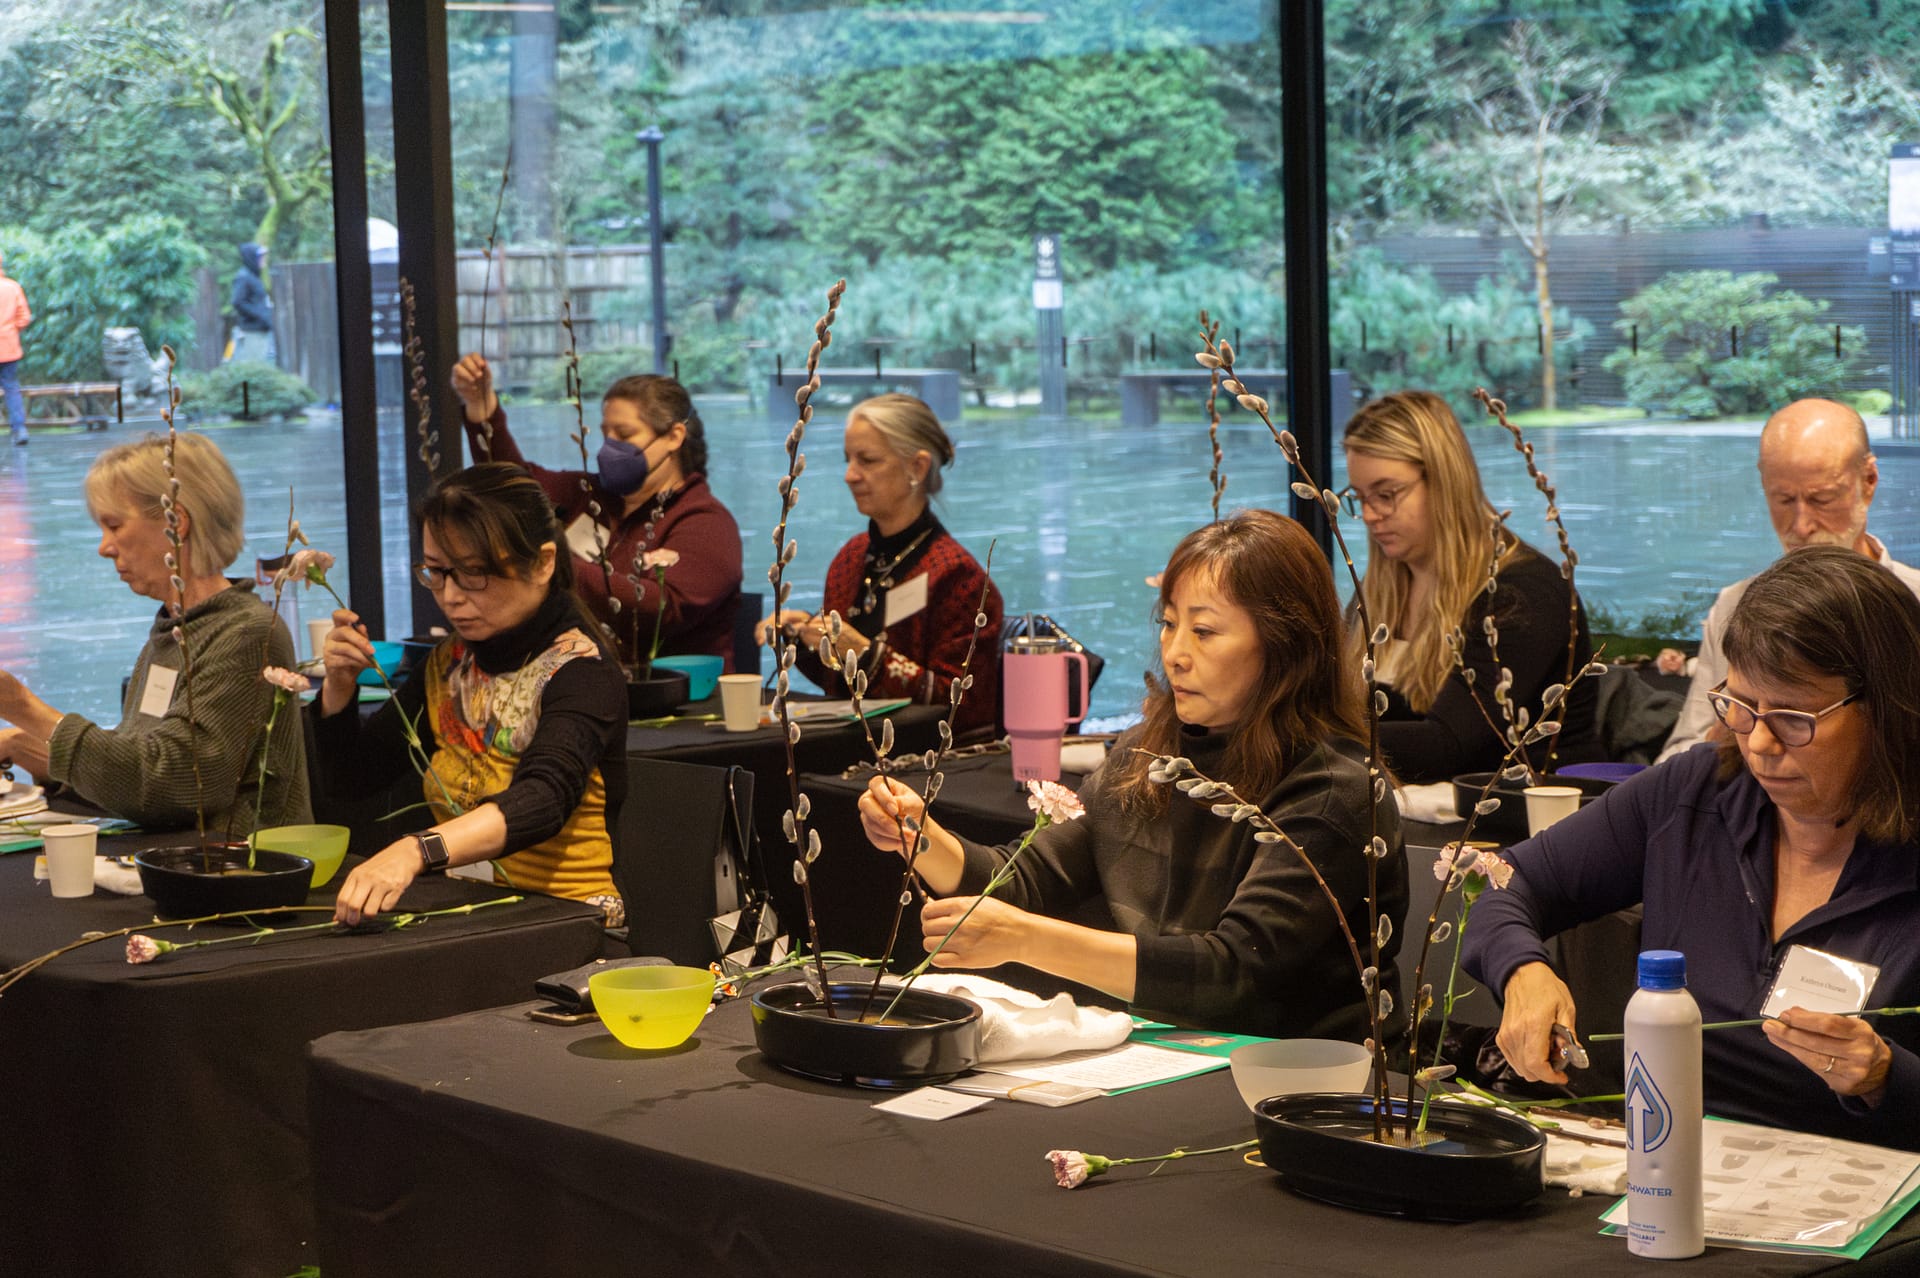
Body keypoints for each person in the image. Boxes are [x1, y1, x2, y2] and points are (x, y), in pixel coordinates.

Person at [858, 510, 1407, 1040]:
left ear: (1284, 646)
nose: (1175, 653)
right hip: (1174, 1054)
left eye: (1205, 631)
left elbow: (1235, 973)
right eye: (1169, 624)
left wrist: (1024, 940)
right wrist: (920, 835)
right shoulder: (1147, 755)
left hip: (1304, 1082)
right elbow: (1027, 879)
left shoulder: (1334, 789)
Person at [1464, 548, 1920, 1147]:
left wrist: (1889, 1076)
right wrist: (1523, 972)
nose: (1758, 742)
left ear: (1885, 708)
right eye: (1740, 705)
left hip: (1865, 1198)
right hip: (1667, 1167)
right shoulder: (1698, 791)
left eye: (1792, 717)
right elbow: (1503, 880)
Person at [311, 463, 627, 926]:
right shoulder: (451, 662)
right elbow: (353, 780)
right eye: (436, 572)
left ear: (542, 563)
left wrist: (418, 849)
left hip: (568, 919)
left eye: (475, 573)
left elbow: (543, 798)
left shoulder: (582, 670)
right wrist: (339, 687)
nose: (450, 596)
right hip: (469, 911)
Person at [0, 434, 310, 832]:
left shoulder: (246, 633)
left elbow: (177, 783)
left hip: (238, 880)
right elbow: (142, 768)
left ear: (174, 522)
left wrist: (23, 706)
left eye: (113, 525)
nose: (103, 547)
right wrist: (28, 749)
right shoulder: (178, 628)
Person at [1342, 389, 1601, 783]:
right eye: (1359, 498)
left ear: (1445, 481)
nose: (1369, 515)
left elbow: (1449, 745)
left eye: (1386, 495)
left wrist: (1309, 739)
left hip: (1528, 822)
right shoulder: (1379, 590)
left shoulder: (1522, 591)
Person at [1658, 398, 1920, 761]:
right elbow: (1674, 761)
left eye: (1822, 499)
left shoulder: (1914, 602)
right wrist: (1731, 727)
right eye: (1783, 500)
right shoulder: (1737, 606)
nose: (1801, 525)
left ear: (1869, 481)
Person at [450, 354, 742, 672]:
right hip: (585, 680)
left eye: (625, 434)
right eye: (606, 434)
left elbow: (662, 610)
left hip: (678, 702)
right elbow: (512, 489)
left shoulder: (707, 523)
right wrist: (482, 409)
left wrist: (556, 564)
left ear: (673, 437)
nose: (609, 447)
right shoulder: (587, 495)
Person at [761, 393, 1003, 737]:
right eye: (848, 459)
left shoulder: (959, 577)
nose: (850, 475)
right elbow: (842, 688)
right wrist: (800, 639)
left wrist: (866, 654)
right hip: (849, 749)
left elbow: (967, 708)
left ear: (917, 467)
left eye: (868, 460)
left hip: (918, 767)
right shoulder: (851, 558)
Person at [0, 251, 32, 447]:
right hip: (9, 347)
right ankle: (19, 429)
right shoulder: (12, 287)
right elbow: (24, 317)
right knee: (11, 387)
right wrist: (11, 330)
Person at [226, 242, 275, 365]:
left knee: (261, 365)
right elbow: (237, 302)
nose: (264, 259)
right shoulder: (243, 277)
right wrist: (261, 316)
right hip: (252, 331)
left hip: (261, 329)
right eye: (260, 256)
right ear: (252, 258)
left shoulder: (254, 276)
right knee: (252, 366)